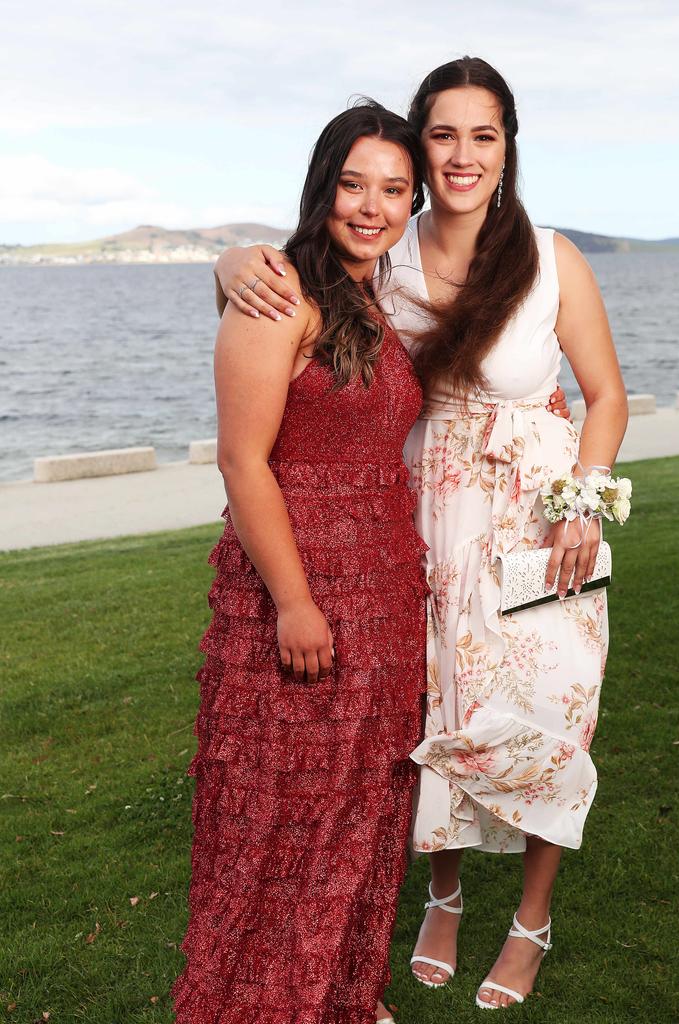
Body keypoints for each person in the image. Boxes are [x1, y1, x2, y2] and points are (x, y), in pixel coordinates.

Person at [216, 56, 628, 1012]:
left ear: (508, 147)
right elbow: (293, 300)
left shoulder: (552, 255)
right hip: (424, 516)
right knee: (431, 711)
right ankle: (440, 896)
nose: (463, 154)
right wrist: (232, 260)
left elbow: (605, 396)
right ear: (418, 145)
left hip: (541, 517)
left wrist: (586, 499)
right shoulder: (384, 254)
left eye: (484, 135)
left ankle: (532, 918)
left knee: (552, 712)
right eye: (443, 134)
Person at [171, 100, 431, 1024]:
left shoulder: (374, 295)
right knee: (282, 821)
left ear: (414, 201)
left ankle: (341, 997)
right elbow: (243, 461)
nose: (372, 206)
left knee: (360, 821)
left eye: (395, 189)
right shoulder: (279, 291)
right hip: (301, 595)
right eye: (354, 184)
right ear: (324, 187)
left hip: (388, 598)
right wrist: (293, 600)